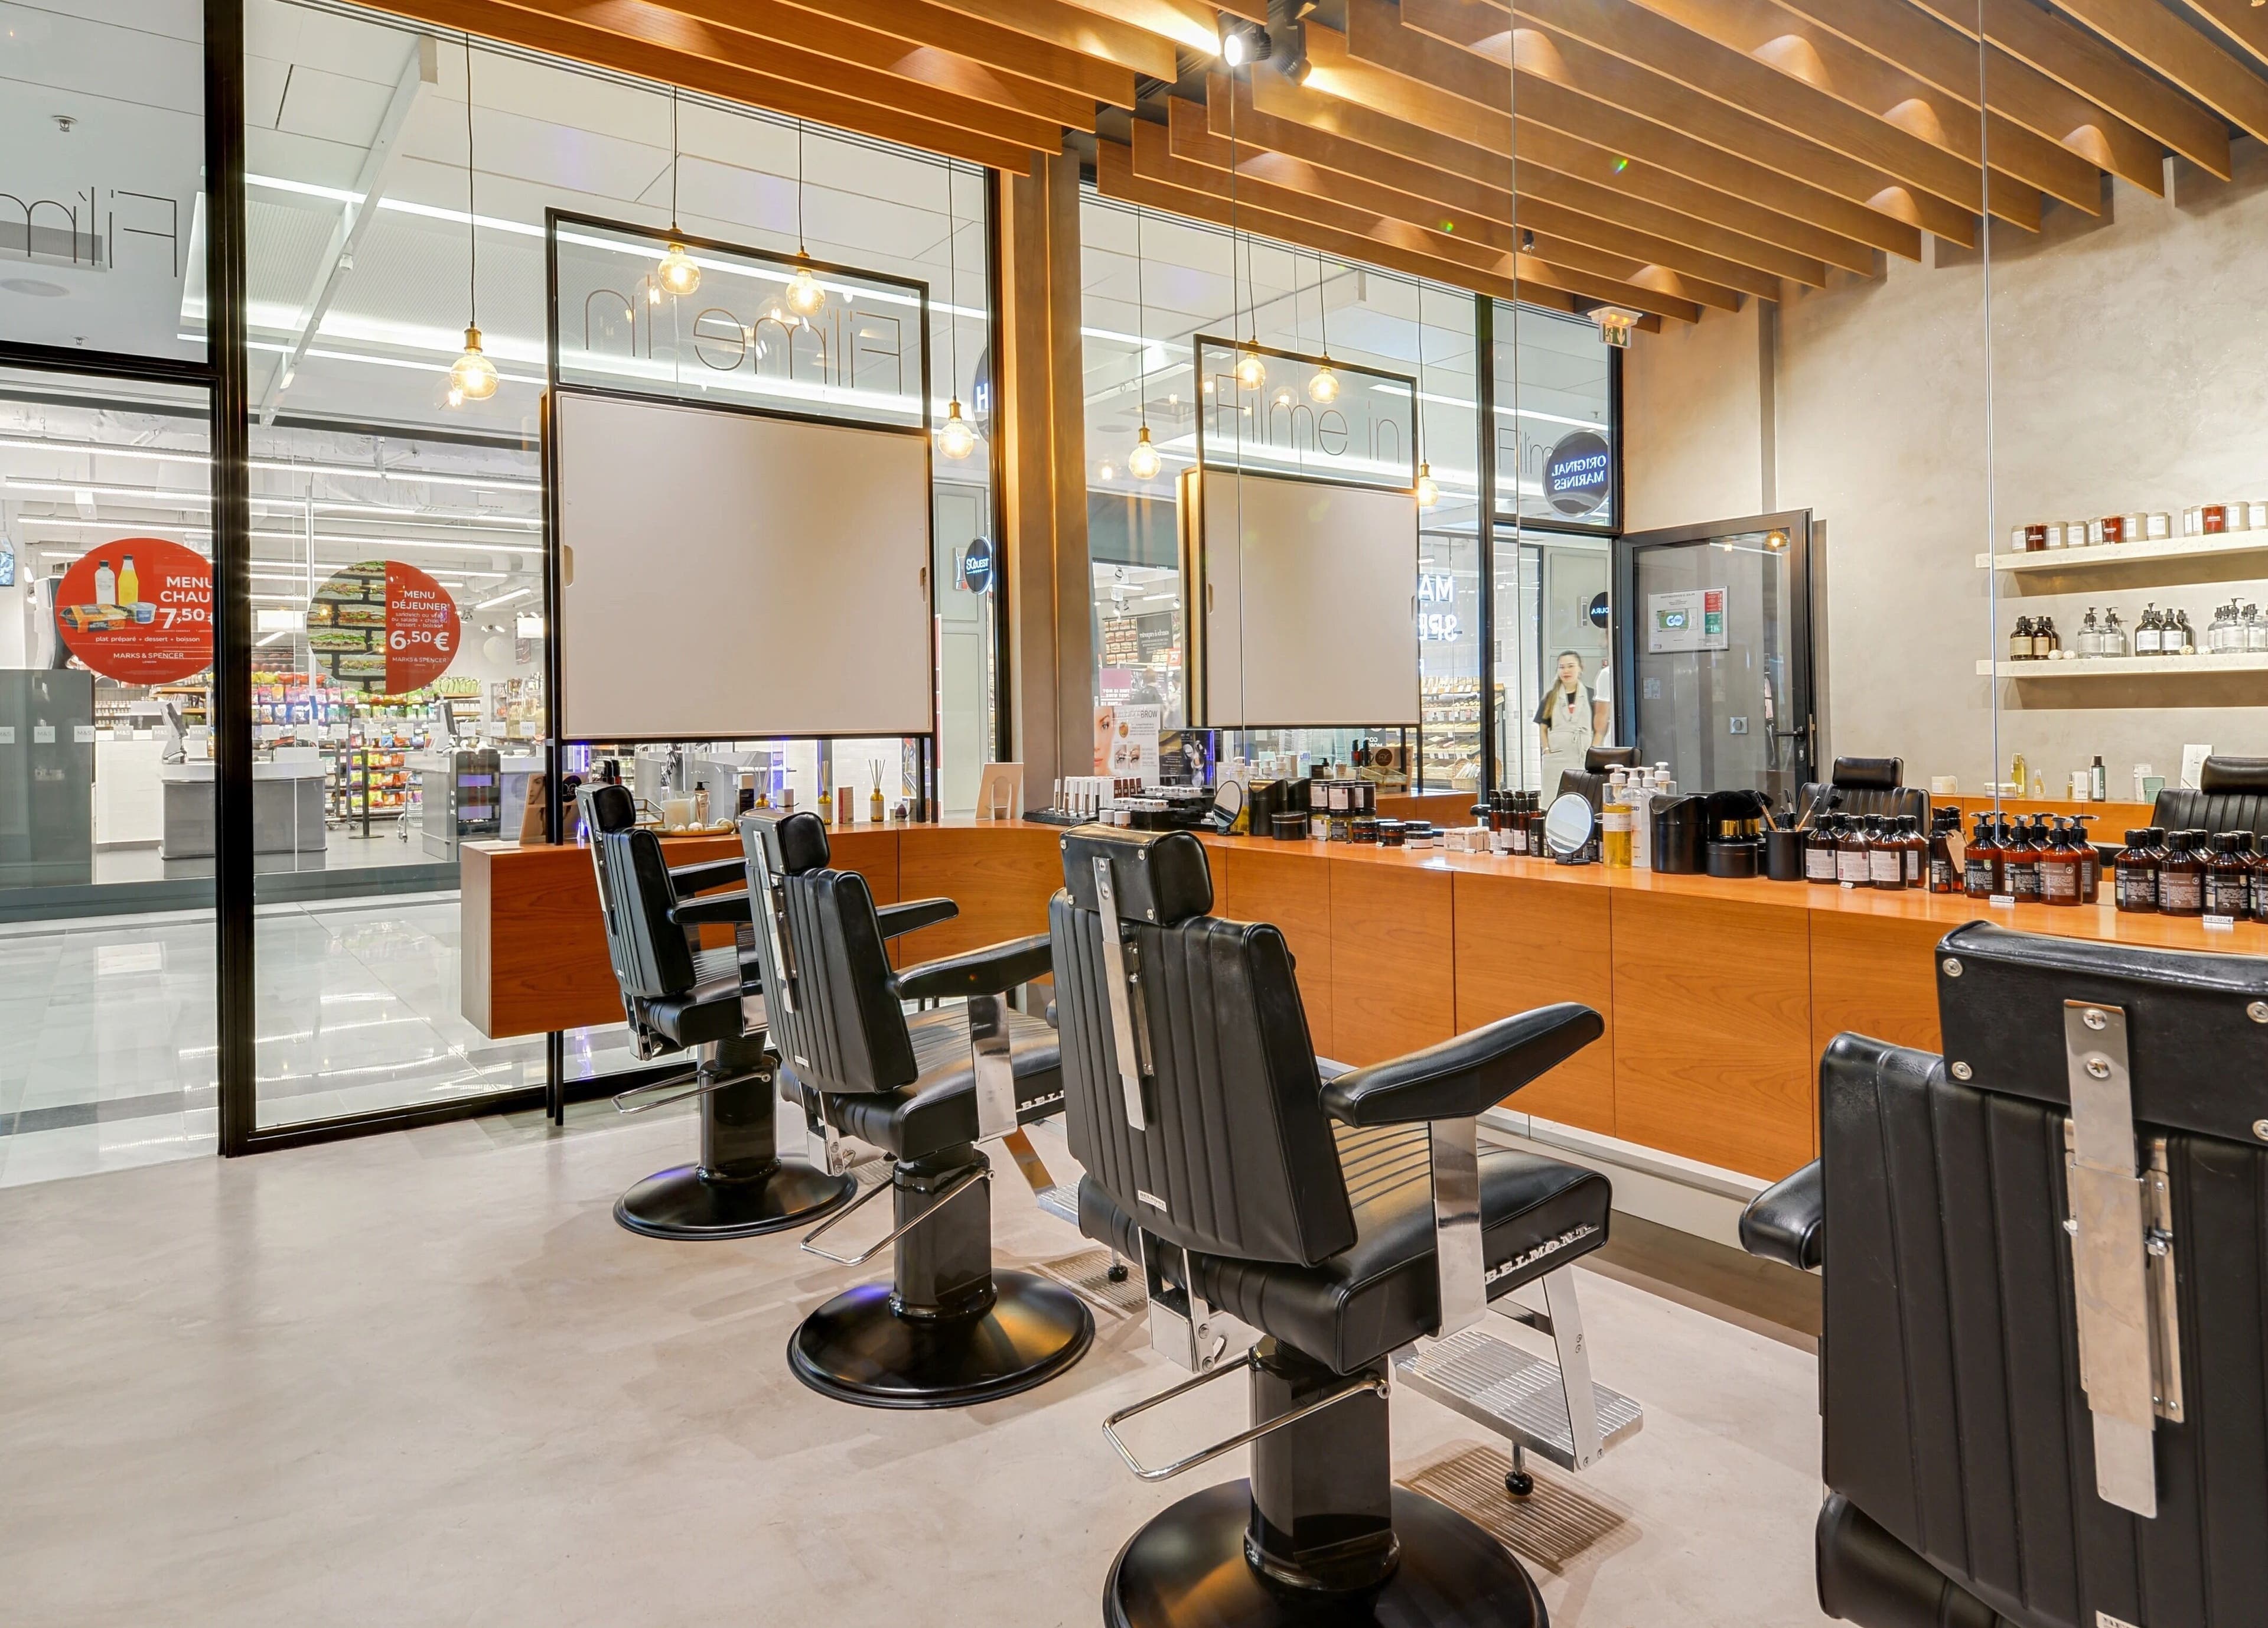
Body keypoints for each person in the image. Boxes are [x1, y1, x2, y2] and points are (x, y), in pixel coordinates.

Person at [1534, 650, 1609, 800]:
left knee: (1583, 796)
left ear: (1581, 668)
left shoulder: (1591, 695)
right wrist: (1547, 750)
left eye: (1571, 666)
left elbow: (1600, 729)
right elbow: (1543, 728)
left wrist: (1593, 751)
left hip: (1583, 755)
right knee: (1554, 798)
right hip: (1556, 758)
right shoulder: (1550, 697)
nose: (1566, 671)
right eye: (1562, 667)